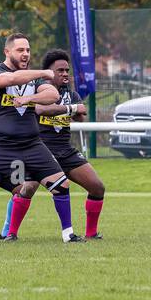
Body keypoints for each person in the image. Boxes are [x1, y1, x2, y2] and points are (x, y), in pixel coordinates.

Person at [0, 33, 80, 243]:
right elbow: (8, 79)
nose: (25, 54)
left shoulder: (32, 78)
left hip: (31, 144)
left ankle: (68, 234)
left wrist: (29, 98)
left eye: (28, 50)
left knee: (61, 184)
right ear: (7, 52)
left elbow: (52, 95)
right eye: (20, 50)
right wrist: (44, 72)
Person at [30, 49, 106, 240]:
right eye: (60, 71)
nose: (65, 74)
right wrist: (70, 109)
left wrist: (71, 109)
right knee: (26, 189)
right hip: (42, 150)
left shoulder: (71, 94)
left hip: (66, 151)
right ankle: (10, 233)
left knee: (97, 187)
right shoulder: (40, 91)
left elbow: (81, 115)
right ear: (48, 73)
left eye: (66, 70)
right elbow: (40, 109)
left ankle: (91, 233)